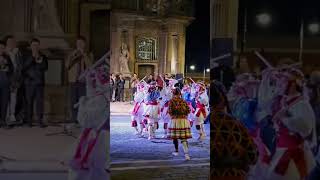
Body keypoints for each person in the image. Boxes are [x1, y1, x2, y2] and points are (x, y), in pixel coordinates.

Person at [65, 36, 93, 123]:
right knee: (73, 101)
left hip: (83, 81)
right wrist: (73, 55)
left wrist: (84, 55)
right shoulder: (71, 54)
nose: (79, 45)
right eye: (78, 43)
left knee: (83, 101)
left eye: (81, 43)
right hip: (73, 81)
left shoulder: (89, 54)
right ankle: (74, 119)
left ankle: (82, 119)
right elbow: (67, 65)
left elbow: (90, 66)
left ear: (84, 44)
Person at [23, 38, 48, 128]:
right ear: (30, 46)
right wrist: (32, 57)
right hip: (29, 83)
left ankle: (40, 121)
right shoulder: (26, 55)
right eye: (33, 45)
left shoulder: (43, 56)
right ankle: (29, 121)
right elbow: (24, 67)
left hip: (39, 83)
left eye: (37, 45)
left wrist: (39, 59)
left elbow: (45, 67)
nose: (35, 47)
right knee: (29, 102)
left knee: (39, 103)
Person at [167, 88, 192, 160]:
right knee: (184, 138)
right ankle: (186, 154)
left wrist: (173, 116)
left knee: (175, 137)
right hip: (184, 120)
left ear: (173, 93)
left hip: (175, 120)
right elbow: (188, 110)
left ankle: (176, 151)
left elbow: (170, 111)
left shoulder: (171, 101)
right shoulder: (183, 101)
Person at [4, 35, 24, 125]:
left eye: (13, 42)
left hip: (15, 79)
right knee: (5, 98)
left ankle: (12, 115)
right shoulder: (4, 52)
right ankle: (6, 116)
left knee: (13, 97)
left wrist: (18, 77)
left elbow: (20, 65)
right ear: (6, 43)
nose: (11, 43)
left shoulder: (17, 52)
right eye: (9, 42)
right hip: (6, 78)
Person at [0, 41, 13, 129]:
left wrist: (7, 68)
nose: (1, 49)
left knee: (4, 103)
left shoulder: (7, 57)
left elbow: (12, 69)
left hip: (5, 84)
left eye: (2, 48)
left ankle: (3, 121)